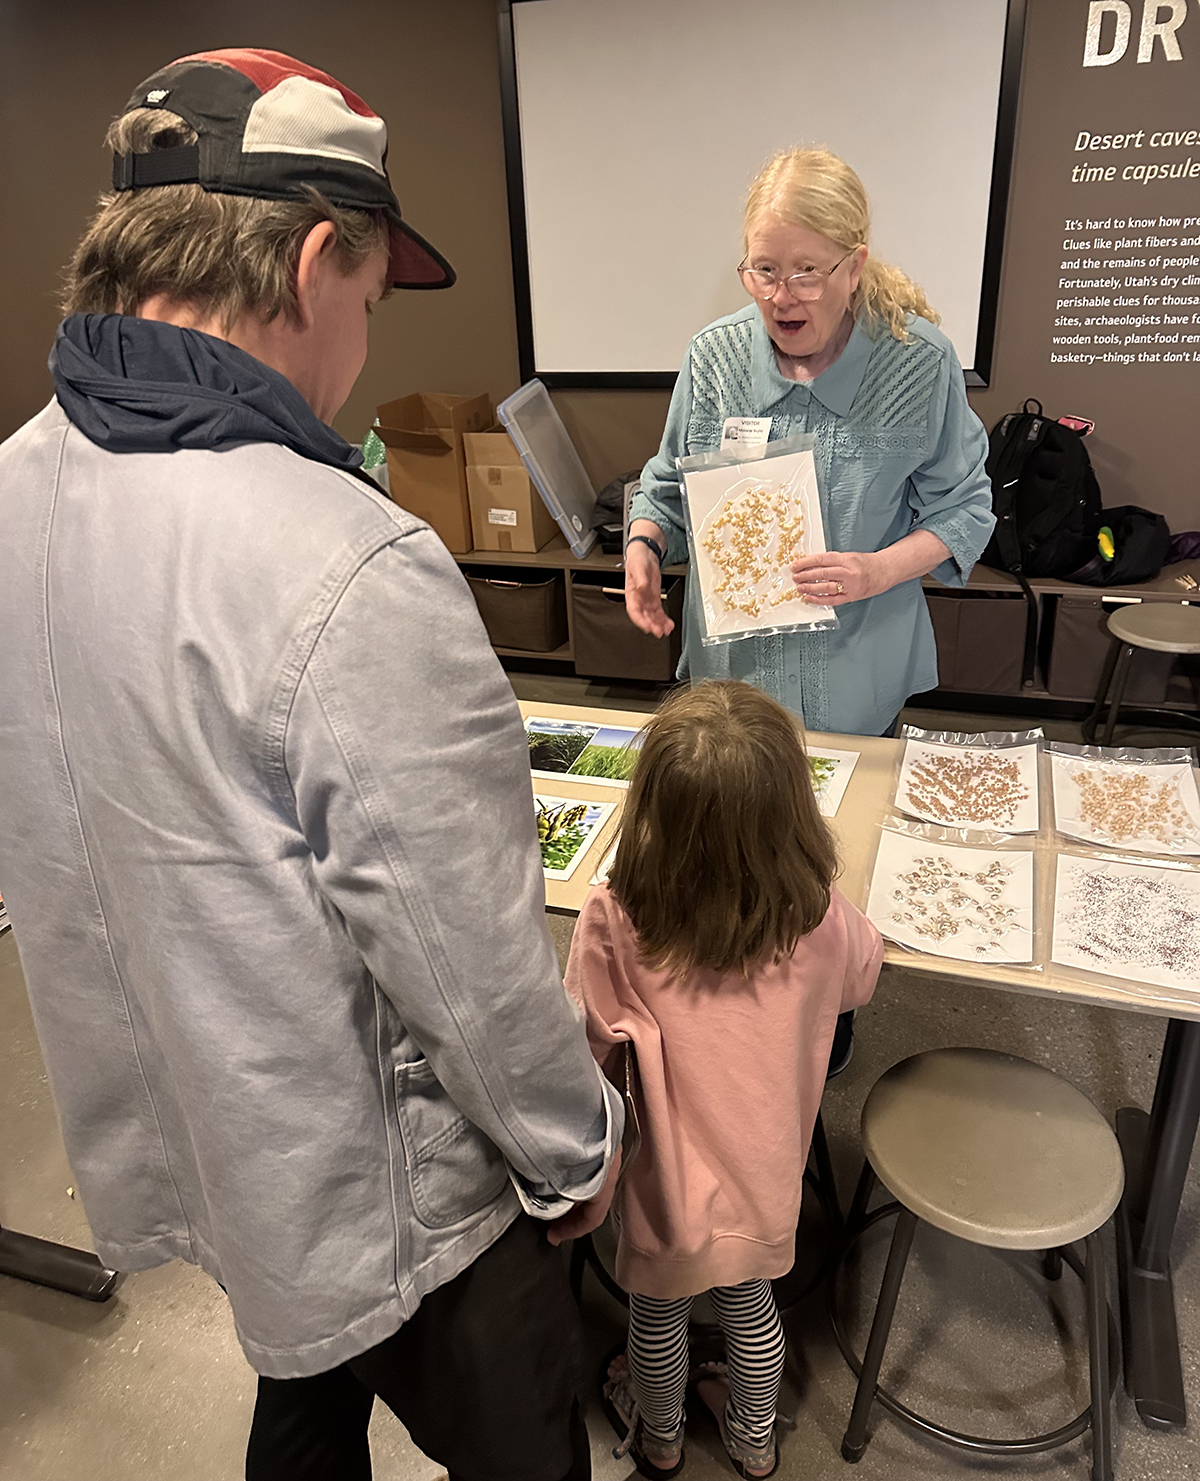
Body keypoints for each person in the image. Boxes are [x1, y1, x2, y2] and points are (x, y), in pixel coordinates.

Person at [0, 49, 621, 1481]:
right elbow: (464, 958)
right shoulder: (351, 558)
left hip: (211, 1147)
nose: (363, 343)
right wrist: (577, 1147)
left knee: (303, 1384)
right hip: (403, 1198)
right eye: (369, 301)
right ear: (317, 256)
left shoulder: (20, 485)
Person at [565, 681, 883, 1478]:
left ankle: (662, 1435)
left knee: (658, 1311)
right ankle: (753, 1440)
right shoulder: (814, 913)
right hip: (766, 1173)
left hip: (665, 1181)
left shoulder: (614, 918)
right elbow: (861, 979)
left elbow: (585, 1045)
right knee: (752, 1309)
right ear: (791, 817)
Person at [623, 147, 996, 741]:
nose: (780, 296)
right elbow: (667, 484)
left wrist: (876, 571)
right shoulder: (713, 358)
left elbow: (965, 509)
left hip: (856, 674)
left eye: (806, 272)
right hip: (733, 686)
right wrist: (643, 543)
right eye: (764, 270)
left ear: (853, 267)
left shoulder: (917, 364)